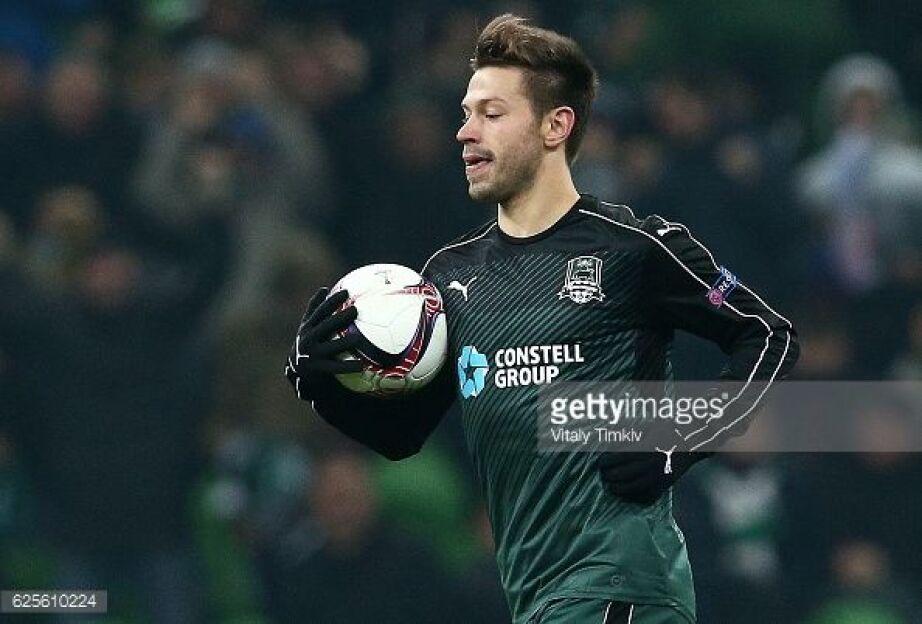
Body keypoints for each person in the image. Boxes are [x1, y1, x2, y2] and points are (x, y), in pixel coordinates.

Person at [285, 14, 798, 624]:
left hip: (621, 588)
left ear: (556, 126)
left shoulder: (632, 247)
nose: (465, 132)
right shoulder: (451, 276)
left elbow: (769, 338)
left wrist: (678, 442)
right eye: (466, 114)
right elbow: (404, 436)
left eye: (491, 114)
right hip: (536, 597)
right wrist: (322, 388)